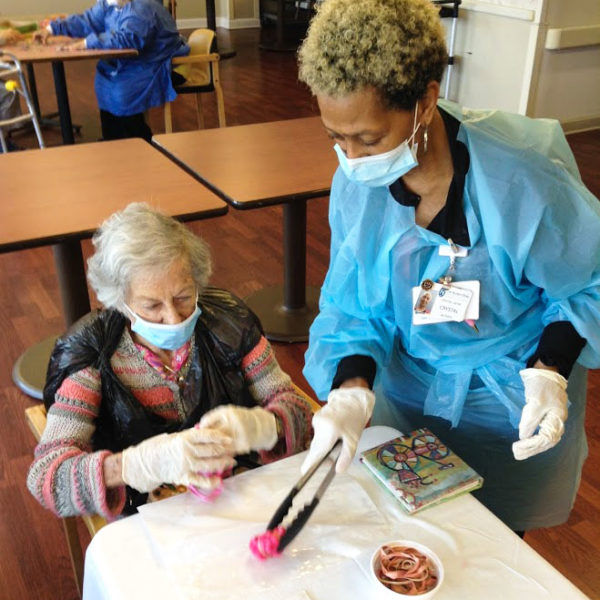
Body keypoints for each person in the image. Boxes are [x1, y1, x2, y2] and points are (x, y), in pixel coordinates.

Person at [297, 0, 600, 534]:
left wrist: (550, 370)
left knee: (493, 544)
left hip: (508, 403)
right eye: (334, 138)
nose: (351, 157)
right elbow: (352, 306)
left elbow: (589, 284)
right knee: (407, 532)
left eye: (368, 138)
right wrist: (349, 388)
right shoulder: (360, 187)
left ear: (425, 101)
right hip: (407, 396)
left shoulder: (522, 183)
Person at [27, 203, 313, 518]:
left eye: (183, 297)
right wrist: (135, 465)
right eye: (151, 305)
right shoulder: (93, 358)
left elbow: (297, 411)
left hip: (239, 496)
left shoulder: (231, 326)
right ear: (121, 302)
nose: (173, 317)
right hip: (149, 515)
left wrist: (262, 427)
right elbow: (47, 480)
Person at [33, 0, 189, 142]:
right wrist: (52, 28)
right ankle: (113, 139)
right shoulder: (110, 4)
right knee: (103, 78)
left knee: (122, 91)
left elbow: (128, 39)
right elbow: (88, 21)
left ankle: (138, 141)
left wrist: (86, 43)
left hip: (152, 62)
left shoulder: (144, 6)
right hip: (130, 61)